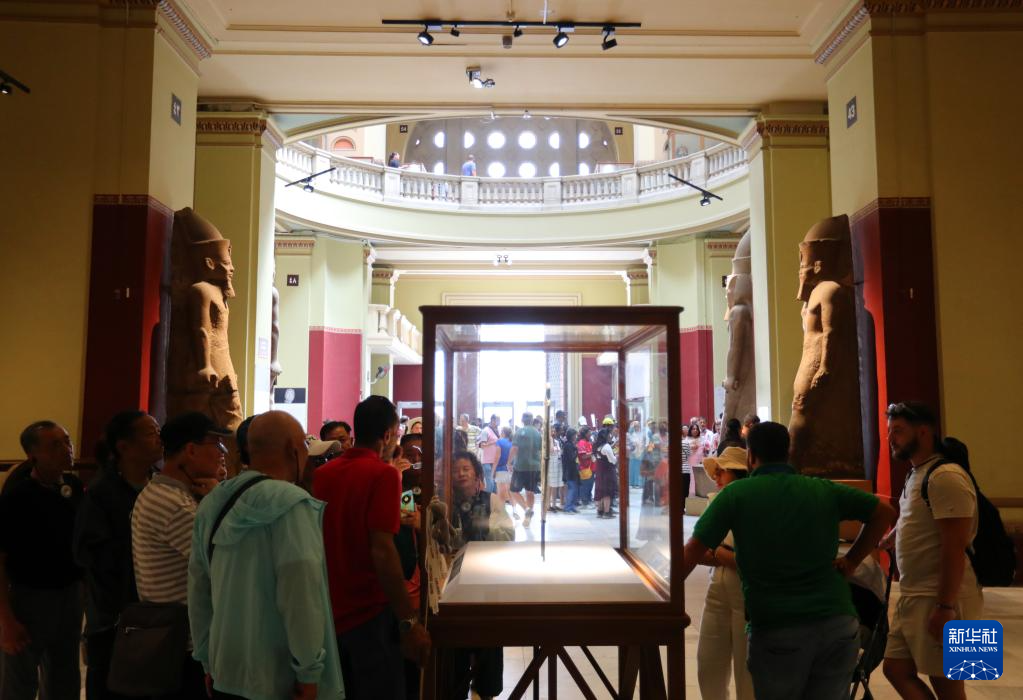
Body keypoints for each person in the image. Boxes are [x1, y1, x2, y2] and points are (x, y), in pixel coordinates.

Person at [680, 422, 896, 700]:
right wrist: (852, 560)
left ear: (750, 456)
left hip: (779, 626)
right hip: (837, 623)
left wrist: (666, 599)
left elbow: (692, 552)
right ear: (788, 453)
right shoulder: (821, 489)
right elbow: (884, 512)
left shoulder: (736, 495)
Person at [189, 411, 344, 700]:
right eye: (304, 446)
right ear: (292, 450)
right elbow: (300, 595)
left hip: (225, 671)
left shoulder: (213, 502)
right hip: (278, 678)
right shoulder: (293, 505)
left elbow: (199, 590)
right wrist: (309, 672)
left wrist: (208, 660)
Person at [313, 396, 430, 700]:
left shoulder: (322, 474)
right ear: (388, 435)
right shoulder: (384, 475)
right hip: (371, 612)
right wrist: (408, 621)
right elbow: (382, 550)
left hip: (330, 609)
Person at [882, 402, 983, 700]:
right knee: (895, 668)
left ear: (923, 432)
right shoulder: (916, 474)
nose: (891, 438)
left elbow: (955, 546)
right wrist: (895, 536)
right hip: (916, 595)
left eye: (898, 431)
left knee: (951, 689)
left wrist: (945, 606)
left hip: (952, 599)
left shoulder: (946, 476)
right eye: (889, 431)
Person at [131, 412, 229, 699]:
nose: (222, 453)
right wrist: (220, 497)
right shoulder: (173, 504)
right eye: (216, 444)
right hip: (182, 645)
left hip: (177, 639)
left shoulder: (169, 492)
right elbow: (225, 560)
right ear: (191, 450)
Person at [74, 411, 162, 700]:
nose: (159, 439)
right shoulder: (102, 493)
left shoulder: (160, 484)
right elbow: (89, 554)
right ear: (124, 446)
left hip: (154, 610)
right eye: (150, 433)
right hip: (113, 615)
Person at [0, 421, 84, 700]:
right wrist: (6, 620)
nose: (66, 449)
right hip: (30, 598)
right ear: (32, 454)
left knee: (65, 675)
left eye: (67, 441)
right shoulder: (17, 497)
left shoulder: (73, 486)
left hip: (69, 594)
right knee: (20, 680)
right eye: (55, 445)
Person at [448, 451, 513, 699]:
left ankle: (487, 690)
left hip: (487, 579)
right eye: (456, 469)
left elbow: (507, 535)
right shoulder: (444, 502)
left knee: (489, 637)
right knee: (457, 643)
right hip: (453, 581)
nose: (461, 473)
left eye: (466, 469)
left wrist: (484, 528)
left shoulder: (492, 500)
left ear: (477, 474)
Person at [695, 447, 754, 700]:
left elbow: (749, 561)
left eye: (722, 471)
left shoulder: (752, 504)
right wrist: (724, 554)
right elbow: (699, 551)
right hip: (716, 590)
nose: (716, 476)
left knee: (746, 673)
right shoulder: (715, 501)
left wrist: (717, 551)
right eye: (716, 472)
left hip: (746, 594)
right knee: (708, 666)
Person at [508, 412, 542, 527]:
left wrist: (508, 462)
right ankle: (528, 518)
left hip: (520, 467)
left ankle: (527, 509)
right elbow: (540, 450)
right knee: (530, 492)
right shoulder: (537, 433)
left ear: (522, 420)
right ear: (532, 420)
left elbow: (514, 448)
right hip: (534, 467)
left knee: (513, 491)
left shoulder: (519, 432)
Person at [593, 428, 618, 519]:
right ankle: (607, 512)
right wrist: (617, 456)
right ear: (606, 436)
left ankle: (600, 510)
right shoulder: (607, 446)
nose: (610, 436)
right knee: (607, 492)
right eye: (609, 435)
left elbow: (594, 459)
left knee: (600, 491)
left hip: (599, 471)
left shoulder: (596, 446)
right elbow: (613, 460)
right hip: (607, 471)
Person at [477, 415, 500, 493]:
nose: (499, 422)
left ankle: (494, 499)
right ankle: (487, 498)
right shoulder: (485, 431)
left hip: (495, 460)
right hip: (486, 460)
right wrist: (493, 442)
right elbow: (482, 445)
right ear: (492, 420)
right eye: (497, 420)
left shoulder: (497, 430)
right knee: (489, 481)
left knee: (494, 482)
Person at [493, 426, 514, 514]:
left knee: (500, 491)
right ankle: (514, 510)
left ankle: (501, 510)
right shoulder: (512, 442)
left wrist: (493, 470)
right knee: (509, 491)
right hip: (510, 469)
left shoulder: (499, 442)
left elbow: (497, 457)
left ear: (503, 433)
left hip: (501, 468)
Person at [560, 428, 580, 514]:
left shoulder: (570, 444)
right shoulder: (568, 445)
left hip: (572, 469)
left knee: (574, 489)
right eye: (575, 435)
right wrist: (577, 451)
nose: (576, 437)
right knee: (571, 489)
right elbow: (571, 458)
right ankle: (567, 507)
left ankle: (572, 506)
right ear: (571, 436)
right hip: (569, 470)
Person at [576, 426, 595, 508]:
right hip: (584, 467)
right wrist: (592, 453)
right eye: (589, 432)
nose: (591, 434)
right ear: (585, 434)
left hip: (591, 467)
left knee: (590, 484)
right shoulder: (581, 443)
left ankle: (588, 500)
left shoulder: (588, 442)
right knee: (585, 485)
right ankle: (584, 502)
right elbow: (583, 456)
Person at [626, 421, 645, 489]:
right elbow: (628, 443)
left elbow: (644, 443)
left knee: (639, 468)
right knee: (632, 468)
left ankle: (639, 483)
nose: (637, 427)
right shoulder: (630, 434)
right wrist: (632, 446)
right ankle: (632, 483)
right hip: (633, 453)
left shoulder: (642, 434)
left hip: (640, 453)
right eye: (635, 426)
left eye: (638, 426)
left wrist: (641, 446)